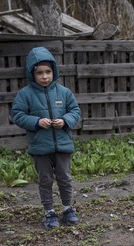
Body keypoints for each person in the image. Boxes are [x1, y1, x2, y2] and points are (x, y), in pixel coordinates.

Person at [12, 46, 82, 230]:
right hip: (40, 147)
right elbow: (17, 115)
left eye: (48, 72)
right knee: (45, 179)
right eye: (40, 73)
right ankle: (49, 212)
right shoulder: (25, 94)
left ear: (54, 71)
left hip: (63, 146)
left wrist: (65, 120)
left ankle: (68, 209)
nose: (45, 76)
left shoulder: (64, 92)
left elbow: (75, 111)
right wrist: (36, 122)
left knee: (65, 178)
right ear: (31, 74)